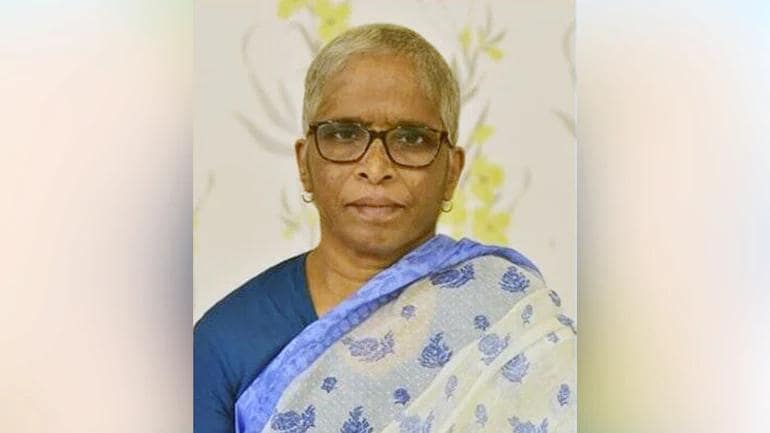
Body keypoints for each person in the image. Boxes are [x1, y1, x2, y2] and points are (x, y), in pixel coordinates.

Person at [195, 23, 576, 433]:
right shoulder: (224, 343)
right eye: (344, 134)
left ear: (451, 171)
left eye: (411, 139)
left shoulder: (504, 307)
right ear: (305, 164)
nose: (376, 168)